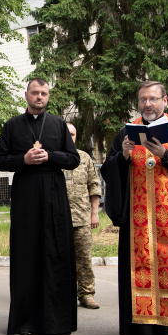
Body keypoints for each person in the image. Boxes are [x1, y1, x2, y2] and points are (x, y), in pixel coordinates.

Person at [100, 81, 168, 335]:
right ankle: (141, 332)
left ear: (165, 100)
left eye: (153, 99)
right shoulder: (127, 131)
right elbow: (109, 170)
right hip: (138, 223)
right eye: (143, 100)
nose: (148, 104)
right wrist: (122, 157)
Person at [0, 78, 81, 335]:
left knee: (55, 252)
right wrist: (24, 159)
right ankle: (26, 321)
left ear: (48, 96)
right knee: (27, 253)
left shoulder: (58, 124)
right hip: (26, 196)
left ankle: (56, 321)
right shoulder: (12, 125)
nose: (39, 97)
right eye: (35, 93)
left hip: (54, 196)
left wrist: (50, 156)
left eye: (43, 93)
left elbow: (73, 159)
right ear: (26, 95)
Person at [64, 123, 103, 309]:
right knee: (58, 259)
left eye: (72, 134)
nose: (69, 136)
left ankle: (87, 294)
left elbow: (94, 186)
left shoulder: (84, 158)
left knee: (84, 260)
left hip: (81, 219)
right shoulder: (53, 158)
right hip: (58, 220)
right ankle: (62, 295)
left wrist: (94, 214)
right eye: (66, 133)